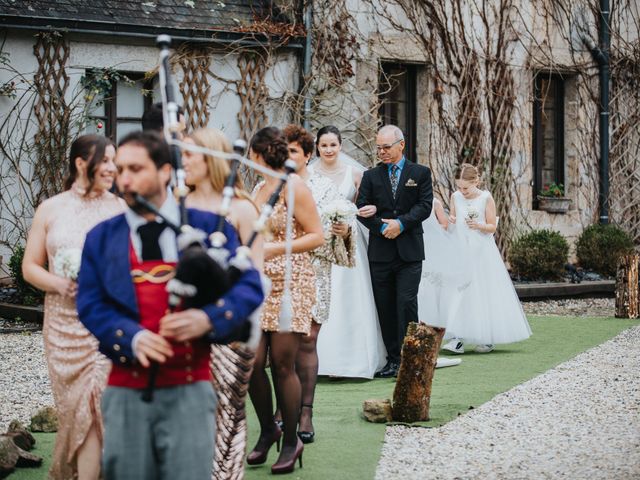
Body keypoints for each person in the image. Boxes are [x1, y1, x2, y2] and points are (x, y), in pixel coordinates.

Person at [76, 131, 264, 480]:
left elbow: (250, 286)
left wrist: (208, 319)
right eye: (120, 169)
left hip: (190, 389)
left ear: (165, 171)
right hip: (124, 388)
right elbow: (89, 303)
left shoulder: (208, 227)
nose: (124, 179)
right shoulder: (101, 237)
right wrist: (129, 336)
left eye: (136, 168)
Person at [22, 134, 124, 480]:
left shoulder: (121, 209)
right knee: (74, 410)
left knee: (99, 408)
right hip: (63, 326)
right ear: (81, 163)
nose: (113, 167)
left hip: (107, 324)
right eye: (106, 160)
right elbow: (30, 266)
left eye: (115, 160)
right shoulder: (50, 208)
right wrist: (61, 283)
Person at [182, 127, 263, 480]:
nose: (180, 161)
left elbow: (255, 276)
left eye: (188, 155)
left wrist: (225, 317)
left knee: (225, 412)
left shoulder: (243, 209)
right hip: (182, 327)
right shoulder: (176, 206)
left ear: (211, 159)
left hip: (230, 330)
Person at [247, 126, 323, 474]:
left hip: (292, 282)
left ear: (260, 154)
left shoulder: (295, 188)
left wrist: (276, 247)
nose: (249, 159)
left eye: (251, 153)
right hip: (259, 283)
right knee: (250, 362)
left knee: (281, 363)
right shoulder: (259, 188)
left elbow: (316, 236)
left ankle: (291, 441)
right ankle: (267, 430)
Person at [282, 124, 354, 442]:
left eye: (293, 151)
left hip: (316, 270)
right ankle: (284, 406)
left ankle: (306, 411)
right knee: (285, 343)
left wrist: (345, 231)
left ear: (307, 154)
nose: (286, 156)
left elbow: (342, 228)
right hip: (280, 272)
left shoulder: (325, 188)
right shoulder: (272, 185)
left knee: (308, 340)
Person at [355, 124, 433, 378]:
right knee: (386, 307)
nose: (382, 152)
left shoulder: (420, 173)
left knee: (406, 303)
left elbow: (425, 206)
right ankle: (392, 360)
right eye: (378, 148)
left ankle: (411, 358)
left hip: (409, 252)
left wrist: (400, 224)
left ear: (401, 145)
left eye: (386, 147)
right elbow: (362, 208)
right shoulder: (370, 176)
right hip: (381, 253)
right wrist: (381, 228)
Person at [312, 126, 387, 379]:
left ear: (340, 146)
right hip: (320, 243)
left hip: (348, 242)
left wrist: (366, 211)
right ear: (317, 147)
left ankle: (354, 360)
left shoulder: (355, 175)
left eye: (333, 145)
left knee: (350, 298)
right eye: (324, 145)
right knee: (322, 297)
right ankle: (321, 360)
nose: (329, 150)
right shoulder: (309, 175)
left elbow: (367, 204)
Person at [440, 163, 532, 353]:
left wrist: (479, 225)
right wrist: (451, 221)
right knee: (459, 292)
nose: (461, 191)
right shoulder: (455, 197)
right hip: (460, 249)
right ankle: (457, 337)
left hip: (481, 250)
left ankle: (487, 337)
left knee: (482, 292)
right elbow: (453, 220)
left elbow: (492, 226)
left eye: (465, 187)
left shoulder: (485, 198)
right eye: (458, 187)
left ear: (476, 182)